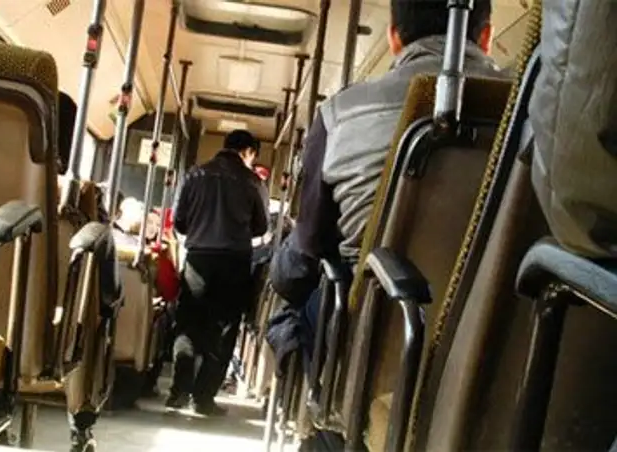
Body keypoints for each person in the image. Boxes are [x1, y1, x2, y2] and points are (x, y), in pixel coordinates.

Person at [267, 1, 506, 445]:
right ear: (488, 36)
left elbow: (307, 252)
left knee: (304, 303)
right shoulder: (532, 113)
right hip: (503, 361)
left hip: (380, 359)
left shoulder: (340, 113)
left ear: (394, 38)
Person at [167, 129, 268, 415]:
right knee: (223, 331)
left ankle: (178, 390)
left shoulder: (194, 175)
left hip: (198, 259)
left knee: (188, 325)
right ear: (248, 152)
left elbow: (180, 222)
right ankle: (203, 398)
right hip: (234, 262)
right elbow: (261, 227)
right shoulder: (252, 182)